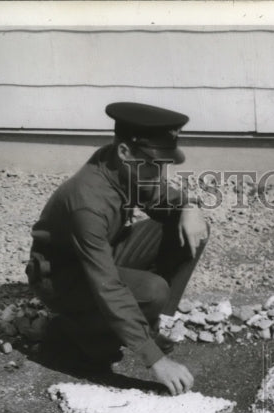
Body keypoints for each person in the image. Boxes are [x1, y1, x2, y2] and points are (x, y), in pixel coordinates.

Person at [25, 102, 209, 395]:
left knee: (189, 228)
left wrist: (189, 205)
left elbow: (156, 194)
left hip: (100, 254)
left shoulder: (120, 163)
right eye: (154, 164)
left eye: (164, 164)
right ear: (125, 152)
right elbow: (107, 285)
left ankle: (152, 324)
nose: (161, 172)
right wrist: (155, 360)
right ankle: (74, 343)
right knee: (152, 291)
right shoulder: (88, 202)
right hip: (61, 277)